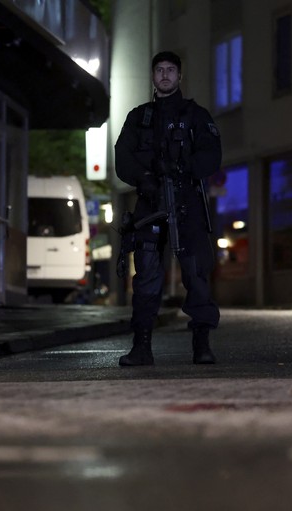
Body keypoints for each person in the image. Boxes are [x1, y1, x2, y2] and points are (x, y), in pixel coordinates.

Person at [114, 51, 222, 366]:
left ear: (179, 75)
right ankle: (141, 346)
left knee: (196, 275)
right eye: (159, 70)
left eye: (170, 70)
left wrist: (182, 169)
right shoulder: (139, 117)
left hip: (187, 203)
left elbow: (212, 155)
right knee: (146, 276)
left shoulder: (196, 115)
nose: (165, 75)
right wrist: (144, 178)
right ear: (152, 76)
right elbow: (123, 157)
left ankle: (201, 344)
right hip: (150, 203)